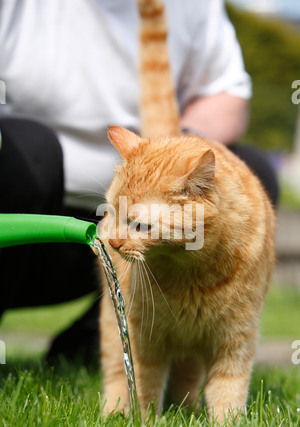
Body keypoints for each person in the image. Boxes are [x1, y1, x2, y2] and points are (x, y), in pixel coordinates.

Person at [0, 0, 279, 364]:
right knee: (35, 151)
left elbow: (227, 94)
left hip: (146, 243)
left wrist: (174, 162)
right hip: (29, 217)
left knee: (245, 179)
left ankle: (104, 345)